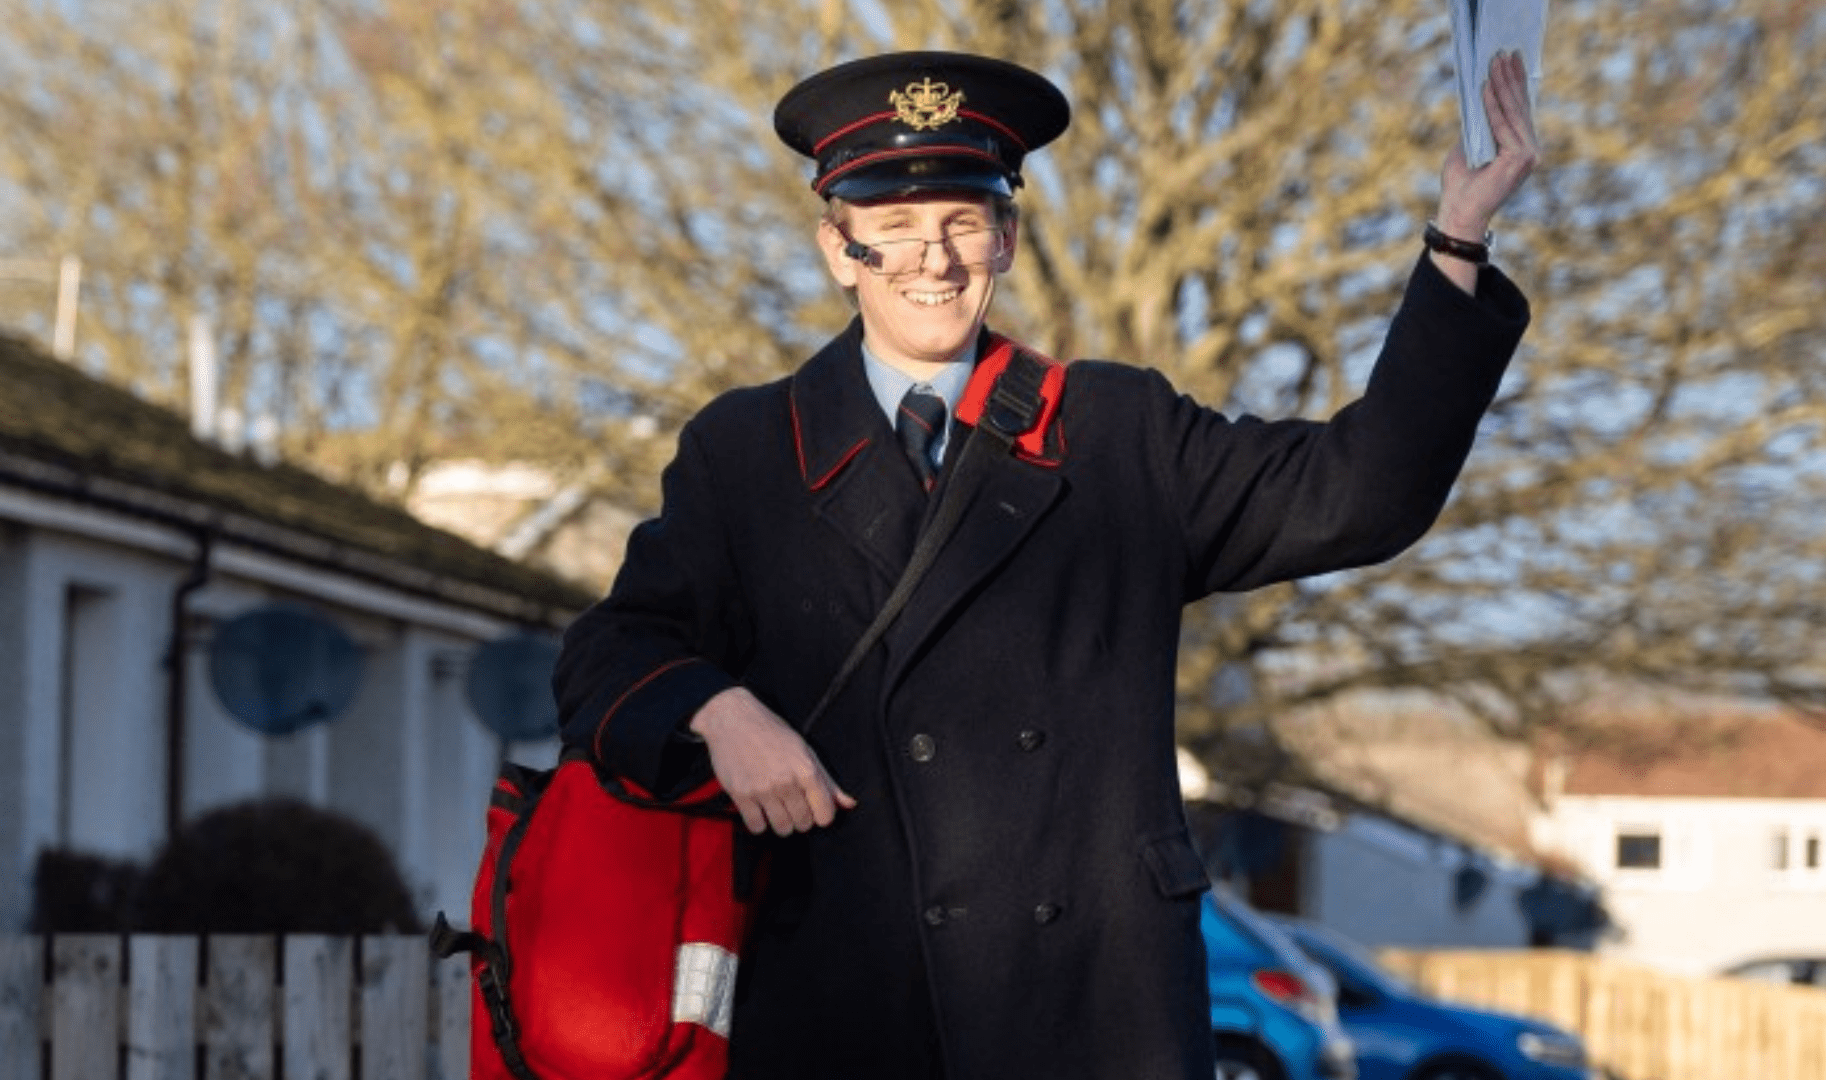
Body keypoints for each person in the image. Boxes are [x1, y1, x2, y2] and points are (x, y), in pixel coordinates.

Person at [554, 49, 1538, 1080]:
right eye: (892, 230)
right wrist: (719, 713)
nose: (932, 259)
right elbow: (605, 658)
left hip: (1091, 1016)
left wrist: (1456, 241)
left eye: (962, 223)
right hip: (845, 1008)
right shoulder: (746, 449)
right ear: (839, 251)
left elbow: (1360, 493)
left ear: (1007, 239)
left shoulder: (1119, 430)